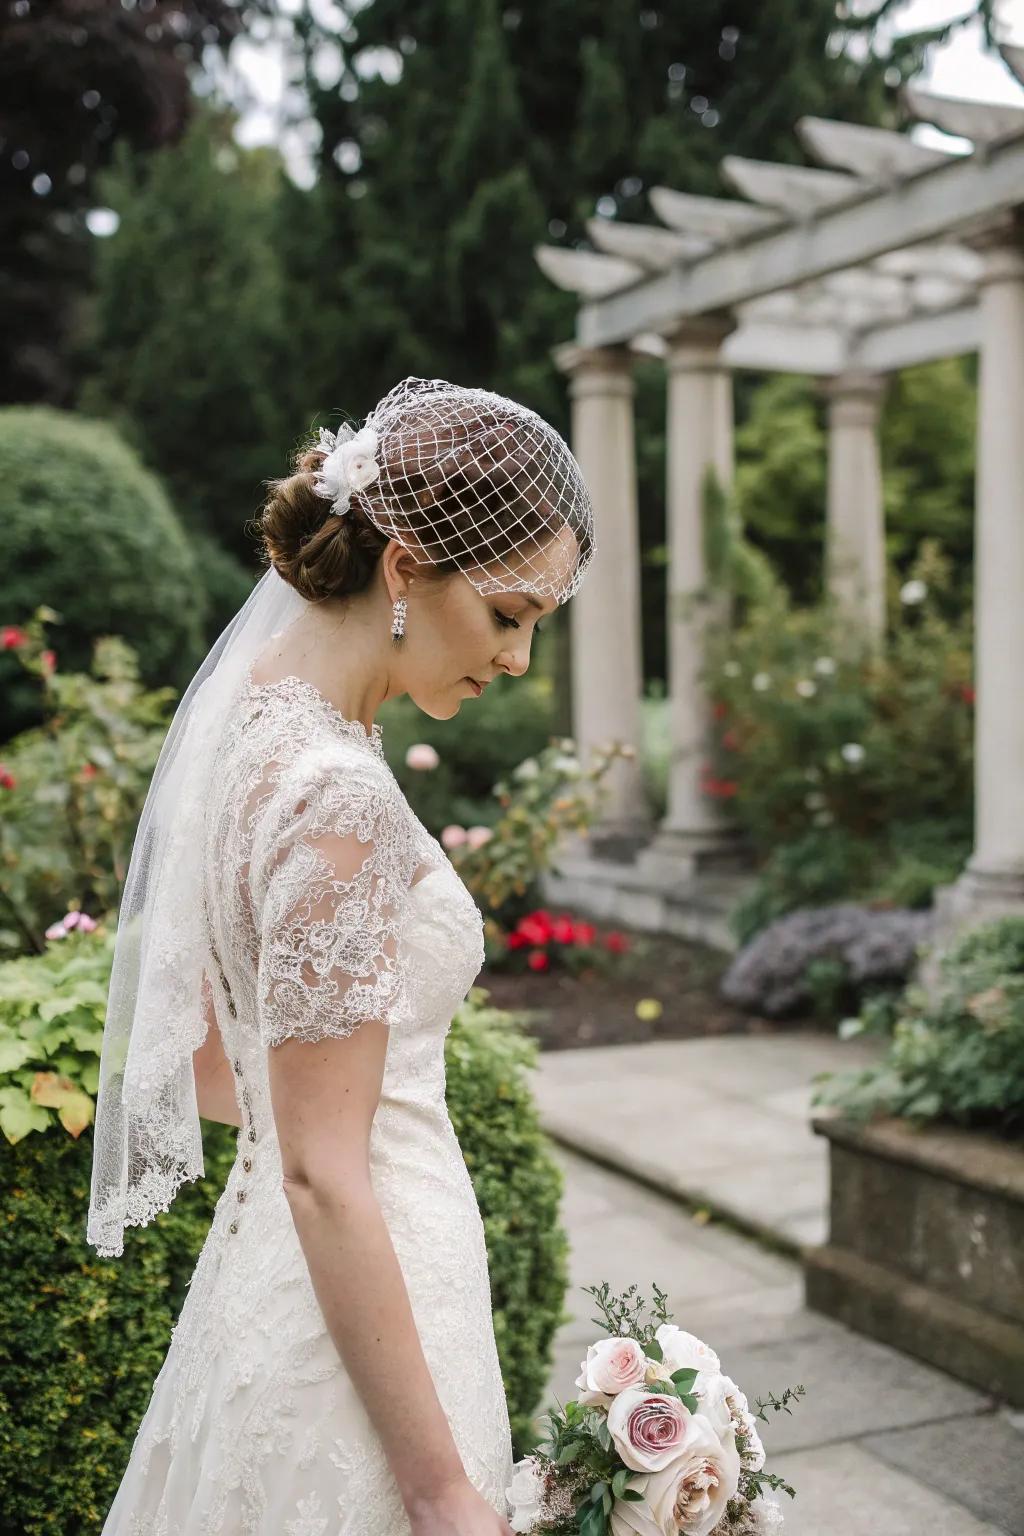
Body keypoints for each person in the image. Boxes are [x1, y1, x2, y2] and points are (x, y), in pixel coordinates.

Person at [87, 376, 595, 1535]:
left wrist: (309, 1138)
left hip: (279, 1272)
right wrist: (438, 1493)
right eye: (510, 613)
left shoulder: (252, 727)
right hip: (372, 1281)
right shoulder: (339, 797)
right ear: (406, 567)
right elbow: (323, 1166)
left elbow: (224, 1072)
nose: (516, 658)